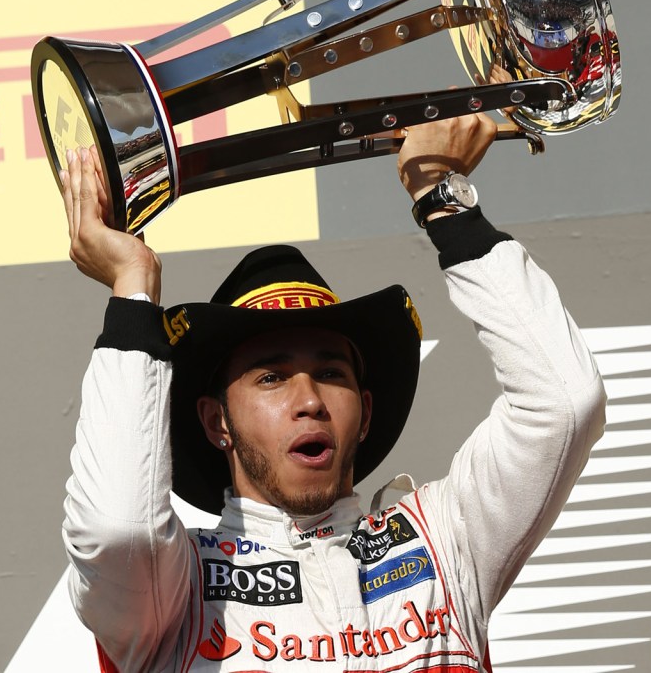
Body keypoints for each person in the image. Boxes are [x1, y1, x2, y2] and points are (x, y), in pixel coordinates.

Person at [60, 113, 607, 672]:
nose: (310, 399)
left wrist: (444, 200)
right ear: (216, 422)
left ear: (364, 412)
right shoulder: (174, 592)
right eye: (271, 377)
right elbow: (117, 528)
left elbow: (565, 403)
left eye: (331, 374)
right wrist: (132, 289)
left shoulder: (446, 542)